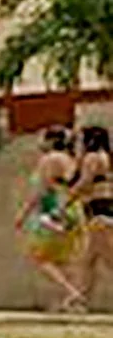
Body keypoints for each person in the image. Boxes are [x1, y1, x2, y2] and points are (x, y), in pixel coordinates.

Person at [18, 125, 88, 313]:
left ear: (50, 140)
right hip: (72, 209)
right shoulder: (69, 159)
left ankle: (72, 293)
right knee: (64, 258)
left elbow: (42, 191)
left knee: (40, 257)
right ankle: (70, 300)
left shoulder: (48, 160)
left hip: (55, 209)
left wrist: (23, 214)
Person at [76, 123, 113, 308]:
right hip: (102, 209)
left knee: (109, 259)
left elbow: (85, 182)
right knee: (88, 260)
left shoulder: (91, 157)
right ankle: (80, 300)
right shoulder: (106, 157)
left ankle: (80, 301)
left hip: (98, 211)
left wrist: (67, 199)